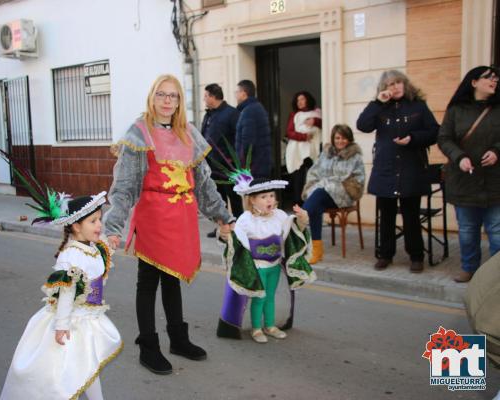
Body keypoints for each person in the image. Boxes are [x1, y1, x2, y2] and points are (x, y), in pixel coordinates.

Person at [103, 74, 234, 375]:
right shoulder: (139, 133)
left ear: (179, 101)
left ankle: (179, 339)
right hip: (152, 215)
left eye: (172, 96)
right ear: (152, 97)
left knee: (173, 277)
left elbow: (203, 184)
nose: (166, 101)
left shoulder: (189, 133)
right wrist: (113, 227)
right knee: (148, 281)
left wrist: (223, 216)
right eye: (161, 94)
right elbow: (124, 187)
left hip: (182, 218)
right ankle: (149, 347)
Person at [0, 192, 122, 400]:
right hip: (74, 323)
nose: (99, 225)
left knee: (88, 366)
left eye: (99, 219)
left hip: (90, 317)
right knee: (72, 371)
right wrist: (62, 325)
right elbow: (66, 294)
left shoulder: (93, 247)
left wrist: (110, 241)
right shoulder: (71, 256)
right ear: (76, 226)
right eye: (93, 221)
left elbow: (97, 264)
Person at [356, 70, 439, 273]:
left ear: (405, 84)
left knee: (411, 216)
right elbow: (363, 125)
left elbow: (434, 131)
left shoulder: (418, 105)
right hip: (386, 169)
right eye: (390, 84)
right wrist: (377, 102)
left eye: (398, 82)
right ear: (384, 88)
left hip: (411, 169)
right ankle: (385, 254)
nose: (395, 87)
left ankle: (416, 256)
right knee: (387, 216)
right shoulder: (380, 108)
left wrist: (412, 138)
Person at [217, 175, 316, 342]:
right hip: (257, 267)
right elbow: (236, 240)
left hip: (275, 266)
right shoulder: (246, 219)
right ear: (252, 200)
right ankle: (256, 329)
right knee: (259, 297)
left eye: (271, 195)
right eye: (263, 197)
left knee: (270, 297)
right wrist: (225, 233)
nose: (269, 199)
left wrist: (301, 220)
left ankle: (270, 326)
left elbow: (292, 234)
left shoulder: (280, 216)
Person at [437, 66, 500, 282]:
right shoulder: (456, 109)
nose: (494, 80)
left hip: (494, 181)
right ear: (474, 82)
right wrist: (459, 157)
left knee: (497, 231)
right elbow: (444, 138)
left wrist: (496, 152)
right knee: (467, 230)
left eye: (495, 78)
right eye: (489, 77)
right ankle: (469, 267)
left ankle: (495, 274)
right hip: (464, 180)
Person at [301, 124, 365, 264]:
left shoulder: (355, 156)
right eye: (337, 138)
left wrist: (340, 185)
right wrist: (312, 185)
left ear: (349, 139)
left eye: (344, 138)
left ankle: (302, 226)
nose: (340, 141)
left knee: (315, 199)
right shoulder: (326, 153)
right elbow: (314, 171)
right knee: (315, 206)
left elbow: (359, 180)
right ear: (333, 138)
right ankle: (317, 250)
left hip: (344, 194)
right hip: (323, 192)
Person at [201, 83, 242, 237]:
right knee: (218, 197)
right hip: (212, 164)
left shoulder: (232, 113)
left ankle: (239, 228)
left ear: (212, 96)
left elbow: (239, 139)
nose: (204, 99)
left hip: (229, 164)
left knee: (234, 197)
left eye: (206, 96)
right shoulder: (209, 114)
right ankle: (222, 227)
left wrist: (236, 160)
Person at [286, 91, 322, 205]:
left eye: (302, 99)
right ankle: (298, 204)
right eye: (298, 100)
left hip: (313, 150)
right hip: (298, 152)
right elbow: (290, 132)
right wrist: (304, 136)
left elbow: (324, 124)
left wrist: (315, 121)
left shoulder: (317, 113)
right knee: (298, 178)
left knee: (314, 176)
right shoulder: (294, 115)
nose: (299, 102)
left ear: (308, 99)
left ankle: (313, 203)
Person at [235, 79, 272, 178]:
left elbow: (248, 142)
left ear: (243, 94)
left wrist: (243, 165)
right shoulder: (256, 107)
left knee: (255, 193)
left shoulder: (249, 111)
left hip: (254, 167)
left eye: (237, 92)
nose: (236, 95)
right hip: (260, 164)